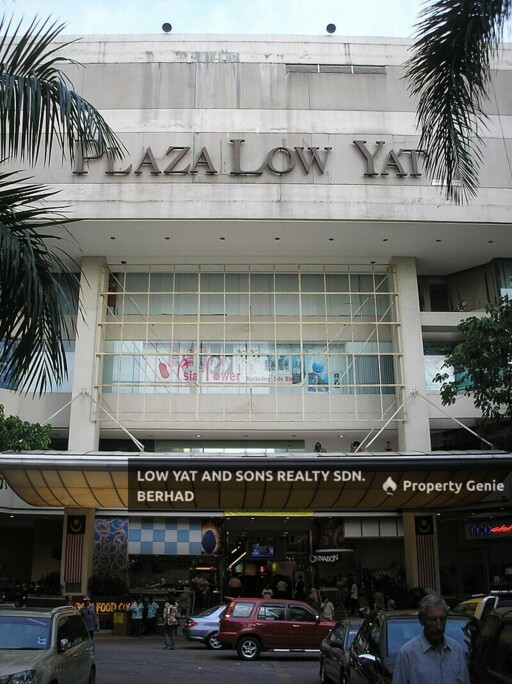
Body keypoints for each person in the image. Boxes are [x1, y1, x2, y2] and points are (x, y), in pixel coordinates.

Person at [392, 594, 469, 684]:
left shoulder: (457, 649)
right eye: (432, 620)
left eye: (442, 619)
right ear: (421, 620)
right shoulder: (407, 654)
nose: (439, 626)